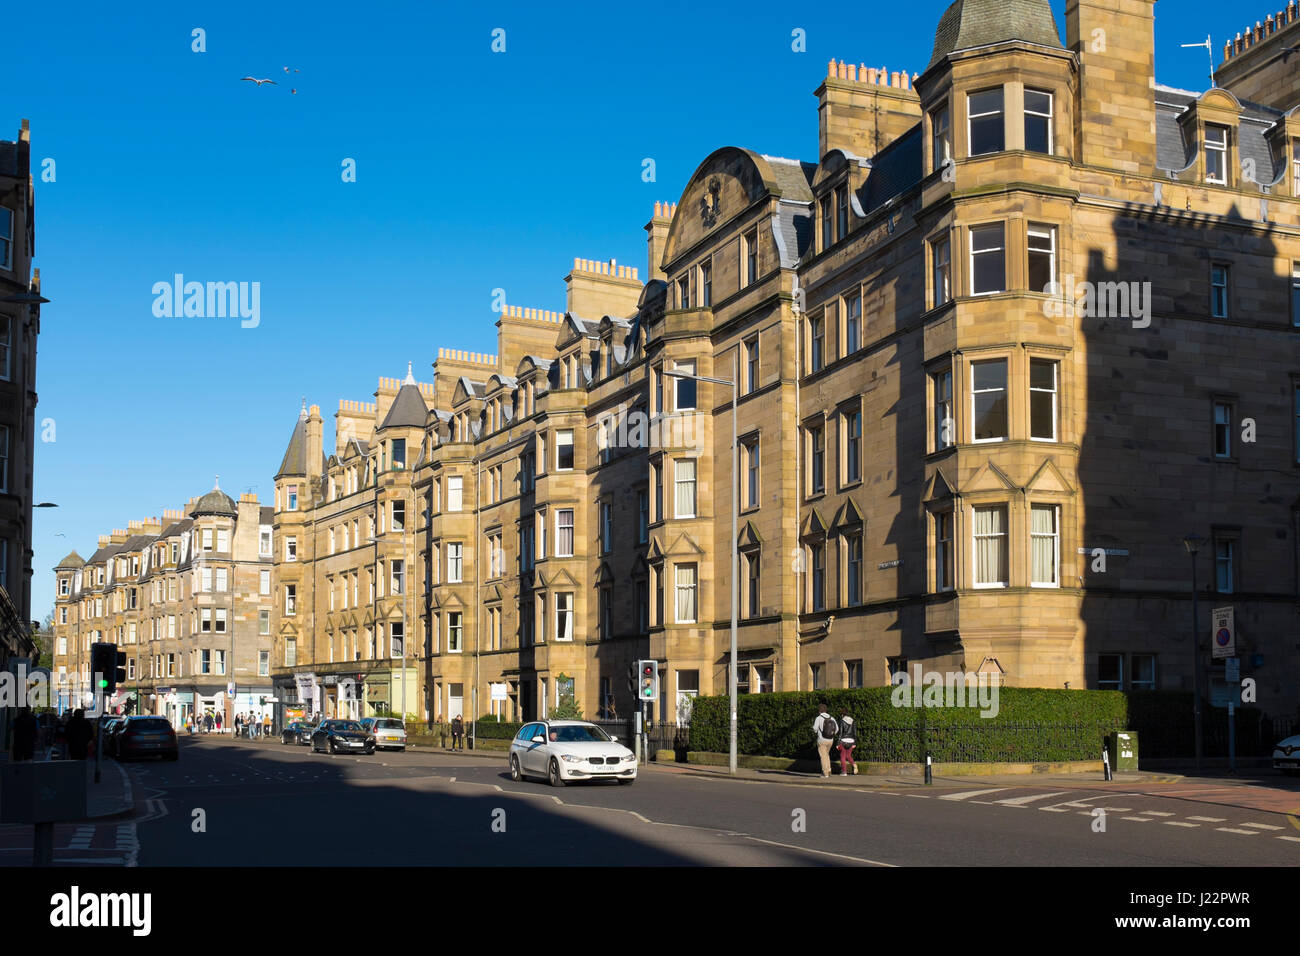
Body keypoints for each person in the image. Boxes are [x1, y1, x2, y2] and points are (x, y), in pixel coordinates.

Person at [812, 701, 838, 779]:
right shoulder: (832, 718)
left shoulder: (818, 718)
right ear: (826, 710)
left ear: (819, 711)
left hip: (822, 740)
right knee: (826, 755)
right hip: (830, 740)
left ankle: (825, 773)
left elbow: (815, 729)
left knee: (823, 756)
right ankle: (829, 770)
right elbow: (837, 729)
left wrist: (816, 731)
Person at [836, 711, 858, 776]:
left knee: (842, 756)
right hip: (851, 741)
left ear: (843, 715)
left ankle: (844, 772)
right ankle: (854, 764)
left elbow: (840, 733)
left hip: (843, 741)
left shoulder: (842, 721)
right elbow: (855, 733)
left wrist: (837, 743)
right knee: (848, 755)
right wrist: (855, 743)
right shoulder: (853, 721)